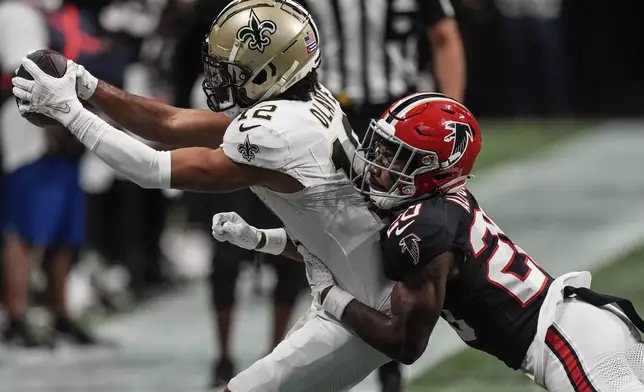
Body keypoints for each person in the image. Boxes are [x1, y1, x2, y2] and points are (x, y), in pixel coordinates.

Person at [11, 1, 398, 391]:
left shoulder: (279, 132)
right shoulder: (304, 100)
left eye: (232, 70)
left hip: (361, 310)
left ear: (269, 71)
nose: (216, 78)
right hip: (352, 287)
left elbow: (151, 168)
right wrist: (86, 84)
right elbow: (170, 121)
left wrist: (70, 113)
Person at [294, 94, 644, 392]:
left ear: (435, 169)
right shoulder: (437, 206)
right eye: (383, 149)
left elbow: (404, 343)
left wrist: (330, 297)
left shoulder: (425, 229)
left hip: (569, 344)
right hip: (587, 324)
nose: (378, 165)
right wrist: (273, 239)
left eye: (395, 155)